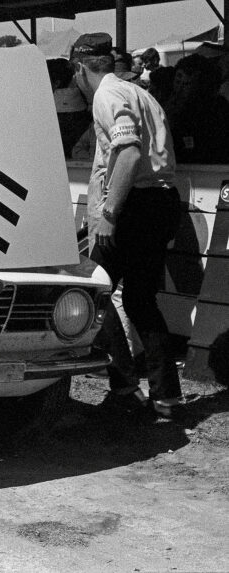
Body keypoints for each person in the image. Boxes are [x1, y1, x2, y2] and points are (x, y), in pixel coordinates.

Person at [71, 32, 183, 420]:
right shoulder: (139, 92)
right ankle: (166, 397)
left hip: (135, 205)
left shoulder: (106, 95)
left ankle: (125, 387)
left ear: (81, 68)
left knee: (90, 290)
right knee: (139, 300)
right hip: (162, 200)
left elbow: (130, 152)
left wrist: (110, 212)